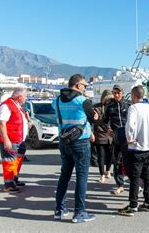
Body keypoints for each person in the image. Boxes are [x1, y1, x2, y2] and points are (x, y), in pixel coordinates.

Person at [53, 74, 96, 223]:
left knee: (65, 175)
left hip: (64, 141)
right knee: (81, 176)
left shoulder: (57, 100)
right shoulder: (82, 101)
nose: (85, 88)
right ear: (78, 86)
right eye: (84, 85)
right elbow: (93, 118)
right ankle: (79, 212)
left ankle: (59, 208)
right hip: (81, 142)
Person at [118, 85, 149, 216]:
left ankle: (133, 205)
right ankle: (148, 202)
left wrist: (129, 138)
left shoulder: (133, 108)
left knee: (135, 177)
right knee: (147, 175)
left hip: (136, 148)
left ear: (133, 96)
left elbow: (130, 125)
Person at [0, 87, 29, 193]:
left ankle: (14, 179)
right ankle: (9, 184)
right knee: (9, 161)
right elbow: (1, 123)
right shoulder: (6, 106)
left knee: (17, 160)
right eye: (25, 96)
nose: (26, 99)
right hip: (11, 139)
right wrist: (6, 140)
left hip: (19, 139)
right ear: (19, 97)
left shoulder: (18, 106)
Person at [102, 84, 130, 194]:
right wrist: (107, 129)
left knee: (130, 161)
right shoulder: (109, 106)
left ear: (122, 93)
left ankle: (135, 184)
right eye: (114, 93)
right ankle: (120, 184)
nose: (116, 95)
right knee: (117, 161)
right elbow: (104, 120)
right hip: (116, 137)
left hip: (129, 136)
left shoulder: (128, 104)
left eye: (118, 93)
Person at [93, 90, 113, 183]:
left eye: (110, 99)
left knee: (110, 155)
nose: (109, 101)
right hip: (100, 135)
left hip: (111, 135)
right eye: (107, 99)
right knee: (101, 156)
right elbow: (96, 120)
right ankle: (101, 175)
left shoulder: (113, 107)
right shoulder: (97, 107)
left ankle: (108, 170)